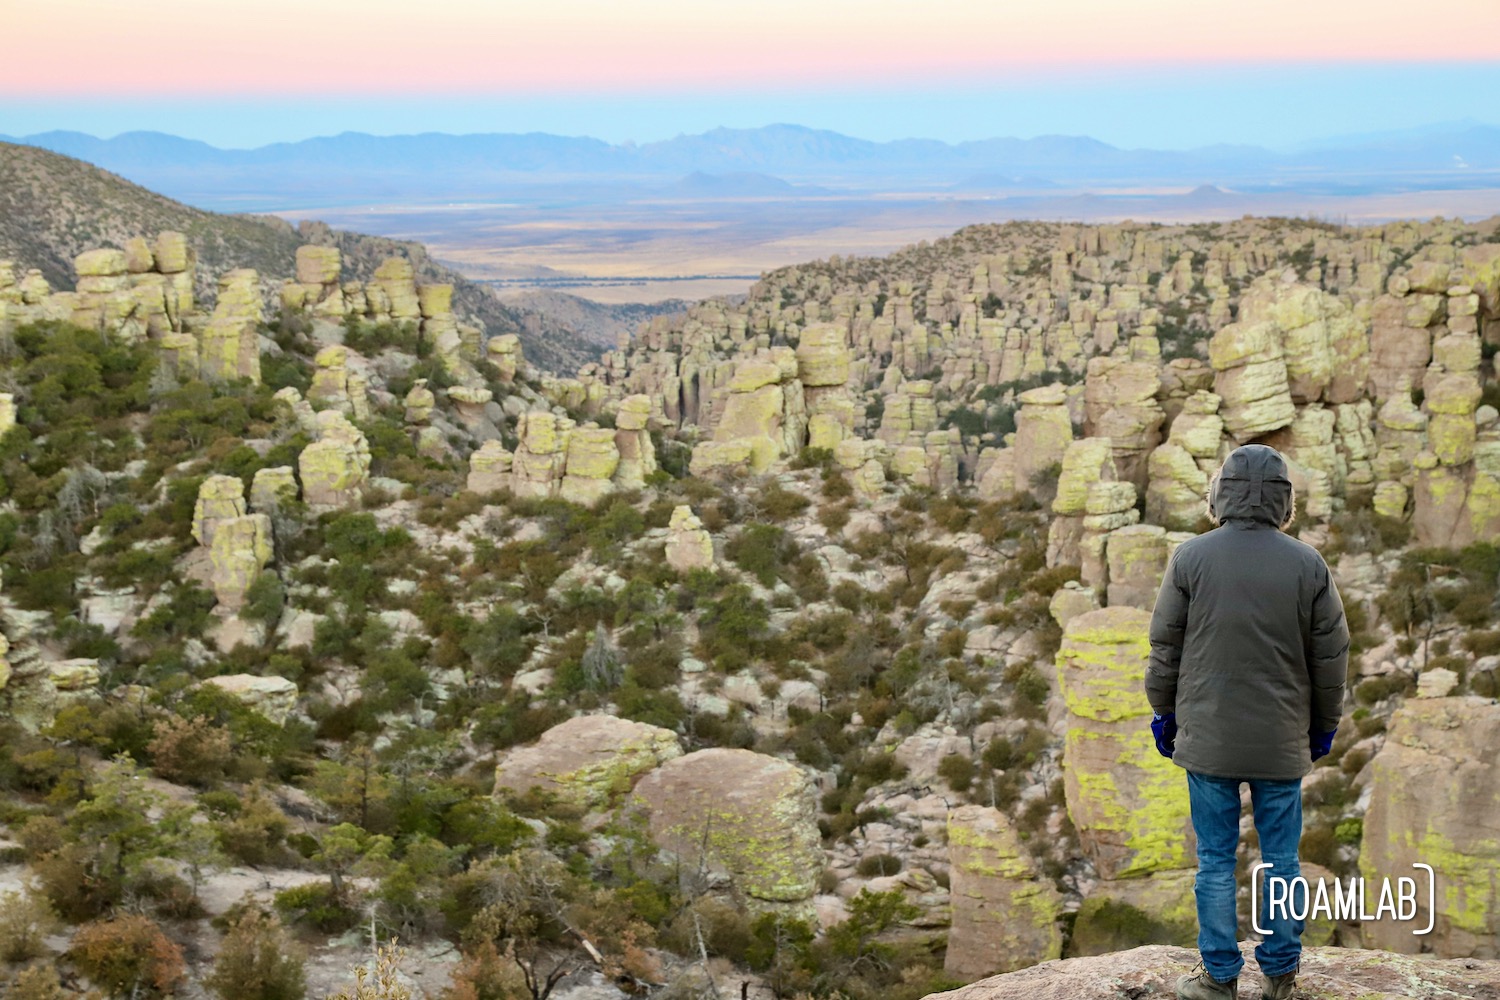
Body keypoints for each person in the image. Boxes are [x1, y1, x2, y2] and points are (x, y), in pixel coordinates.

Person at [1145, 444, 1348, 1000]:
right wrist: (1323, 726)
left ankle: (1218, 978)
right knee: (1281, 859)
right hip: (1282, 741)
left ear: (1221, 496)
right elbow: (1331, 659)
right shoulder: (1308, 564)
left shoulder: (1190, 558)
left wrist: (1164, 713)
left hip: (1207, 738)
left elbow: (1166, 647)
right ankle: (1281, 974)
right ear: (1284, 502)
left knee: (1214, 860)